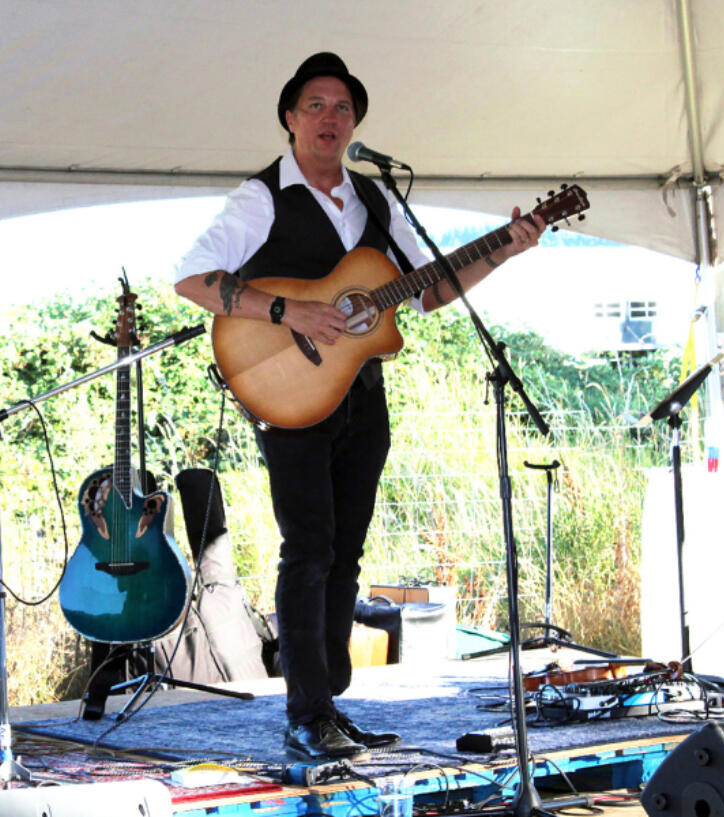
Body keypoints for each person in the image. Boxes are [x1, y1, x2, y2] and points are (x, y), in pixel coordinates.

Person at [174, 53, 544, 761]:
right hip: (289, 390)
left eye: (341, 108)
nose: (329, 119)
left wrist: (505, 249)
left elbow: (429, 288)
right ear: (289, 118)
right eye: (314, 105)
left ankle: (328, 705)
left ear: (355, 124)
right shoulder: (261, 198)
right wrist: (290, 310)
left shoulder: (378, 200)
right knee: (308, 548)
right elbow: (192, 278)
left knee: (344, 552)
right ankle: (304, 712)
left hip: (362, 395)